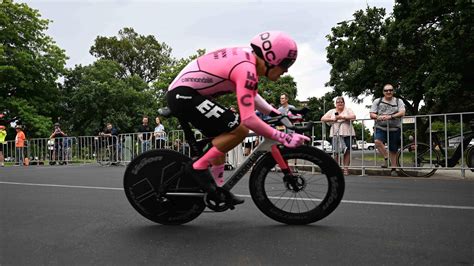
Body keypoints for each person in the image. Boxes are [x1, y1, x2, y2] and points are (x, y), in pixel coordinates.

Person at [166, 31, 309, 205]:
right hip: (183, 95)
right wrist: (284, 137)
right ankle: (198, 167)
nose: (286, 71)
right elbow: (248, 119)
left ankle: (218, 190)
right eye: (286, 64)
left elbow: (252, 97)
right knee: (240, 129)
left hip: (187, 93)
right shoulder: (246, 67)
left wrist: (279, 114)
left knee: (223, 138)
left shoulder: (249, 61)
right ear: (271, 58)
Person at [370, 84, 406, 176]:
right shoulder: (377, 101)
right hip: (380, 127)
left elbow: (402, 112)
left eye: (390, 90)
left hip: (394, 128)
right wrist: (379, 117)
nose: (388, 92)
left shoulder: (399, 101)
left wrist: (391, 116)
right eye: (386, 90)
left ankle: (393, 169)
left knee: (393, 150)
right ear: (383, 92)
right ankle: (387, 158)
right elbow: (372, 114)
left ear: (393, 91)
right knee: (377, 141)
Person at [320, 96, 356, 175]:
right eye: (338, 102)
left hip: (348, 133)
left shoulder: (348, 110)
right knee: (336, 152)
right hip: (336, 134)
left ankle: (345, 168)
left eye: (341, 102)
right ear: (335, 104)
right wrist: (332, 119)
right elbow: (322, 118)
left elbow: (353, 117)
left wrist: (342, 117)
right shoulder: (332, 111)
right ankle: (337, 168)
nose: (340, 103)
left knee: (347, 151)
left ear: (344, 103)